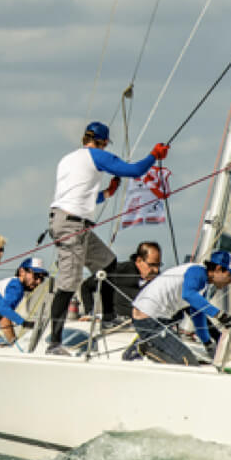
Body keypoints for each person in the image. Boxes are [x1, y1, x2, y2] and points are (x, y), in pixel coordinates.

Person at [47, 121, 169, 355]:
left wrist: (108, 193)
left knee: (108, 263)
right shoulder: (96, 155)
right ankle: (54, 343)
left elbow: (80, 197)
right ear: (102, 142)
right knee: (68, 284)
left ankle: (108, 318)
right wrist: (154, 155)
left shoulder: (68, 159)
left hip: (73, 222)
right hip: (71, 226)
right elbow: (135, 171)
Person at [130, 250, 231, 366]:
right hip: (148, 319)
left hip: (158, 319)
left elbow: (197, 315)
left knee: (190, 361)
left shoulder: (202, 283)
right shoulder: (196, 272)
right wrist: (220, 315)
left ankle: (148, 343)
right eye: (230, 275)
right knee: (187, 363)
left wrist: (207, 343)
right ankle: (143, 347)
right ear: (218, 269)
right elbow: (188, 294)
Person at [80, 241, 162, 320]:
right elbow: (86, 286)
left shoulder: (160, 280)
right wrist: (90, 314)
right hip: (118, 326)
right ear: (139, 260)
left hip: (151, 325)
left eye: (158, 265)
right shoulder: (119, 271)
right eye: (152, 265)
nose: (156, 270)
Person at [0, 257, 49, 343]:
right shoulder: (16, 288)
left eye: (42, 279)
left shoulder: (12, 283)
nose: (38, 281)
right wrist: (13, 342)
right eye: (36, 276)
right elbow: (4, 319)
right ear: (22, 272)